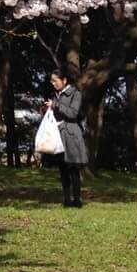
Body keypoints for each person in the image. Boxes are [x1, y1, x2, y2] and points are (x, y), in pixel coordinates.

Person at [44, 73, 88, 208]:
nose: (53, 83)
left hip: (72, 134)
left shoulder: (75, 94)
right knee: (62, 168)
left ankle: (77, 200)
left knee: (74, 168)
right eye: (51, 81)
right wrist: (47, 108)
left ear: (64, 80)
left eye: (55, 80)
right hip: (58, 134)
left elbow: (73, 113)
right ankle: (67, 200)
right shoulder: (56, 95)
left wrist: (56, 105)